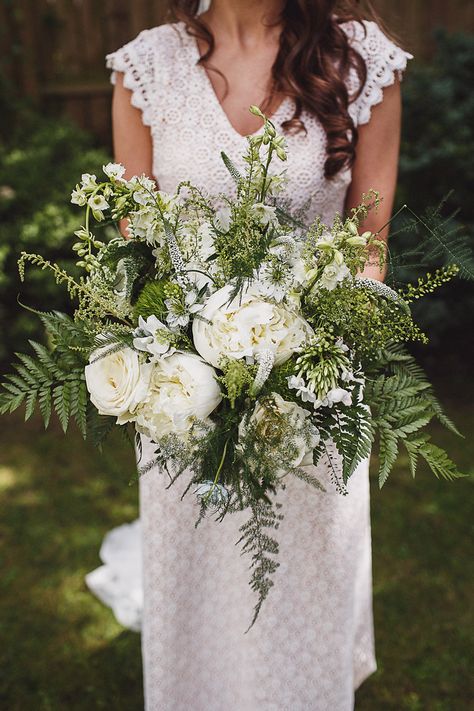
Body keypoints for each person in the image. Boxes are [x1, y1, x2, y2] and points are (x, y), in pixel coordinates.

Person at [100, 1, 412, 708]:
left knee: (301, 600)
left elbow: (369, 248)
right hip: (182, 395)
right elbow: (136, 250)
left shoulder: (361, 60)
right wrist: (186, 360)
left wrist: (303, 358)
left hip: (314, 394)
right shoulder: (145, 67)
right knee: (199, 596)